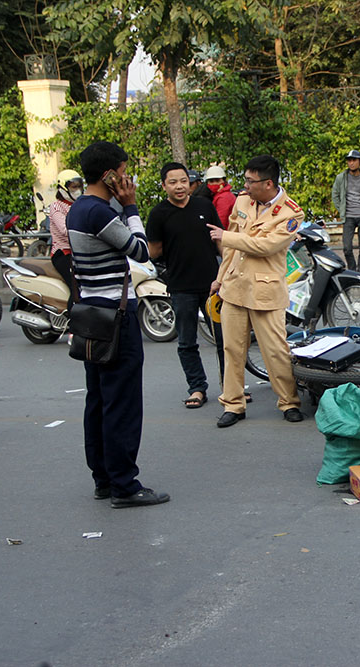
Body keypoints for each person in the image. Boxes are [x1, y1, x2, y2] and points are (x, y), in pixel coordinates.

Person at [68, 141, 169, 507]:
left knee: (98, 399)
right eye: (124, 172)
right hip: (115, 317)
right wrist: (131, 206)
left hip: (92, 315)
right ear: (110, 174)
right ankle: (125, 484)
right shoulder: (100, 212)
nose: (127, 180)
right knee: (121, 403)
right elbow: (141, 251)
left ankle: (104, 478)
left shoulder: (78, 209)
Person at [207, 154, 304, 427]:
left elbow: (267, 247)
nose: (246, 186)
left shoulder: (291, 213)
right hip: (234, 286)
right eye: (246, 181)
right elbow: (231, 249)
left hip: (266, 291)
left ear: (269, 183)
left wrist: (225, 236)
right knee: (232, 348)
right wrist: (219, 278)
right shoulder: (242, 201)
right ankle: (233, 403)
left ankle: (289, 401)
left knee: (275, 350)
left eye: (251, 181)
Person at [147, 162, 225, 410]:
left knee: (226, 340)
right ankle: (197, 388)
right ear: (164, 186)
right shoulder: (159, 214)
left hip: (213, 285)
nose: (179, 186)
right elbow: (154, 250)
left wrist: (224, 274)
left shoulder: (204, 206)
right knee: (187, 342)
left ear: (190, 183)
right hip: (181, 288)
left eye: (183, 181)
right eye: (173, 182)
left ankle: (231, 388)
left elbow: (219, 241)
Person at [331, 149, 360, 273]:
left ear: (359, 161)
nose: (351, 163)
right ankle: (352, 270)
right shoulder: (341, 178)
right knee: (347, 247)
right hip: (348, 216)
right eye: (349, 160)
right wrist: (341, 210)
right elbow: (335, 195)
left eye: (354, 160)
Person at [49, 169, 84, 310]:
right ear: (63, 188)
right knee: (76, 288)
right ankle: (73, 324)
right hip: (63, 253)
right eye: (73, 187)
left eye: (79, 186)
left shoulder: (79, 204)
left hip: (79, 252)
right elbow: (65, 230)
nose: (77, 190)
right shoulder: (56, 206)